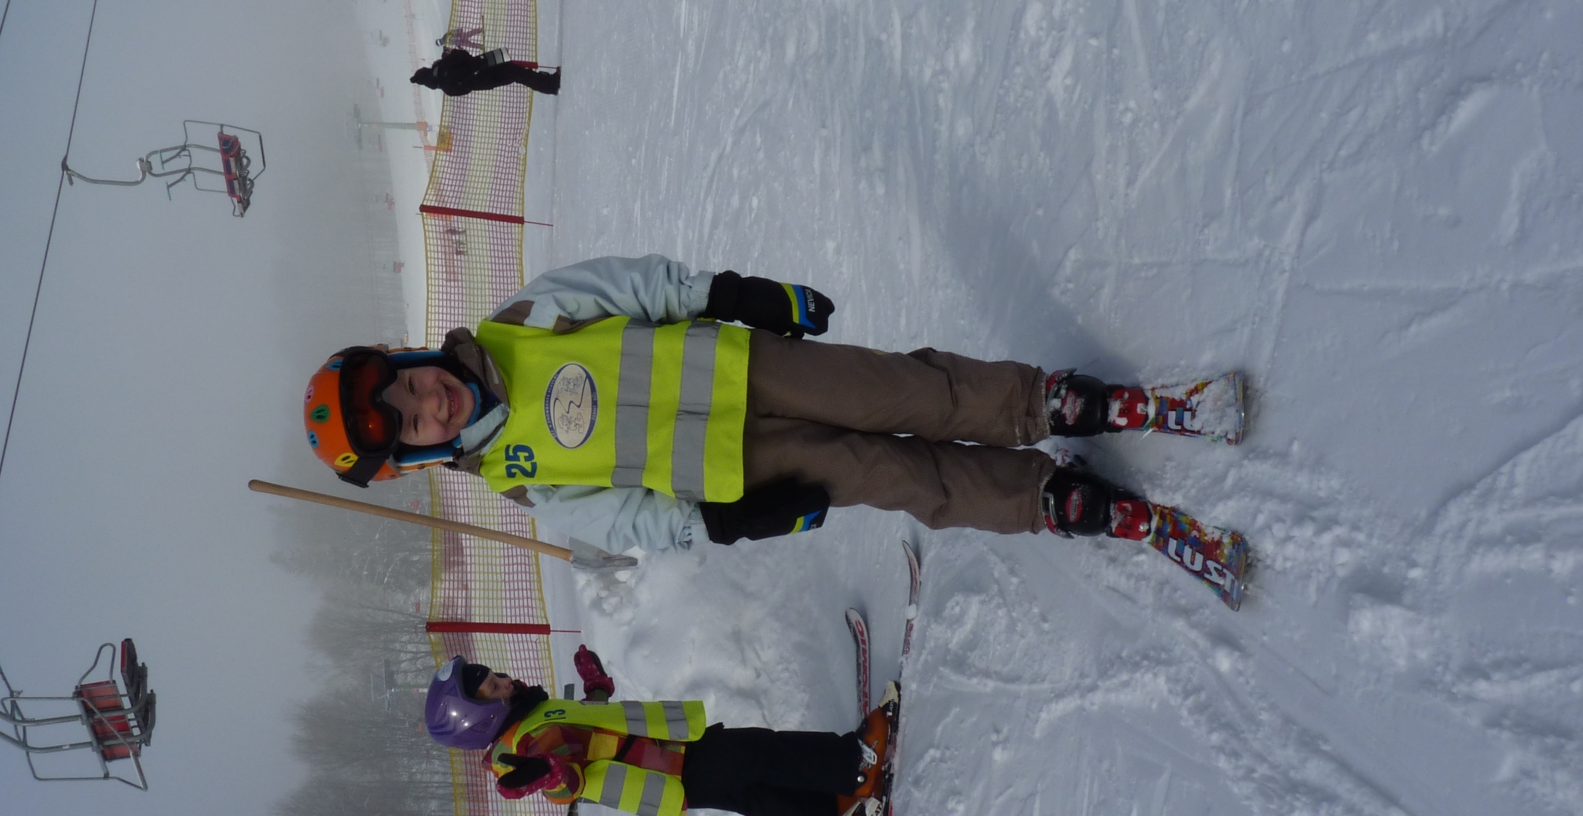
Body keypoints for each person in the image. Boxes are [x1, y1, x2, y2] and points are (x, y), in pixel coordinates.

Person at [302, 254, 1212, 553]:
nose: (430, 401)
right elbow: (628, 522)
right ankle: (1045, 499)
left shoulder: (521, 322)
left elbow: (633, 287)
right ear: (419, 454)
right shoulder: (521, 479)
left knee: (905, 392)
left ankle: (1044, 407)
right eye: (413, 423)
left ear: (410, 356)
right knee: (895, 477)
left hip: (749, 370)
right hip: (742, 470)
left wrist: (737, 295)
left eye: (410, 383)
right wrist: (723, 524)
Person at [423, 648, 891, 816]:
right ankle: (855, 765)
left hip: (668, 767)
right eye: (492, 686)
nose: (505, 680)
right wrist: (550, 774)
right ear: (477, 718)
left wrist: (597, 687)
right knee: (760, 753)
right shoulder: (523, 745)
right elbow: (568, 781)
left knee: (749, 792)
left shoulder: (528, 718)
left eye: (495, 674)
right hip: (667, 763)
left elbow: (586, 732)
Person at [412, 43, 560, 96]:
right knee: (517, 72)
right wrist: (453, 53)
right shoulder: (442, 65)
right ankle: (551, 84)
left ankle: (549, 83)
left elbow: (466, 90)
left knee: (517, 74)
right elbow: (464, 56)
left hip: (484, 82)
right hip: (484, 63)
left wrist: (469, 78)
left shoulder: (447, 89)